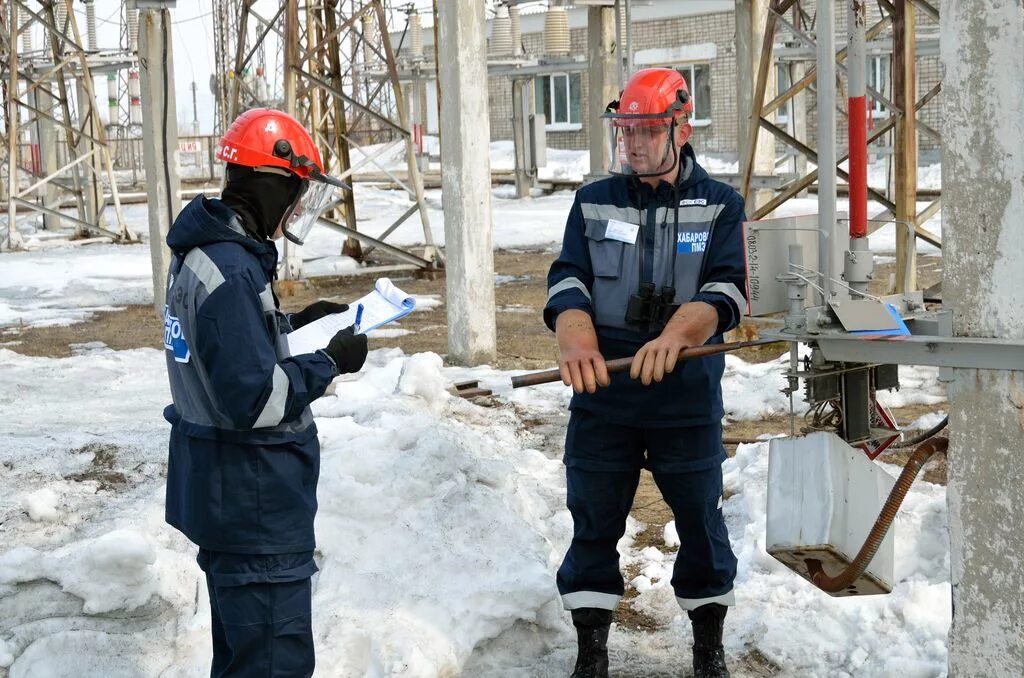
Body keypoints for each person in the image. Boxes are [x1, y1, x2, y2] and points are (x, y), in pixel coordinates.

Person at [543, 68, 748, 678]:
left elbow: (728, 289)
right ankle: (591, 651)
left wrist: (681, 332)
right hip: (605, 388)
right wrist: (573, 328)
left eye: (645, 130)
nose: (631, 143)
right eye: (623, 129)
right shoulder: (593, 199)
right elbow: (569, 275)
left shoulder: (720, 205)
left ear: (680, 128)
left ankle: (708, 648)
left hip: (684, 391)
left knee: (701, 522)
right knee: (593, 519)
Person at [162, 108, 369, 677]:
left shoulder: (209, 255)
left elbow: (229, 350)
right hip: (253, 500)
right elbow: (253, 400)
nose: (297, 207)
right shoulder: (230, 270)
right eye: (297, 192)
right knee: (272, 663)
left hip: (230, 494)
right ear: (273, 185)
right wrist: (328, 363)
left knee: (243, 662)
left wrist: (295, 324)